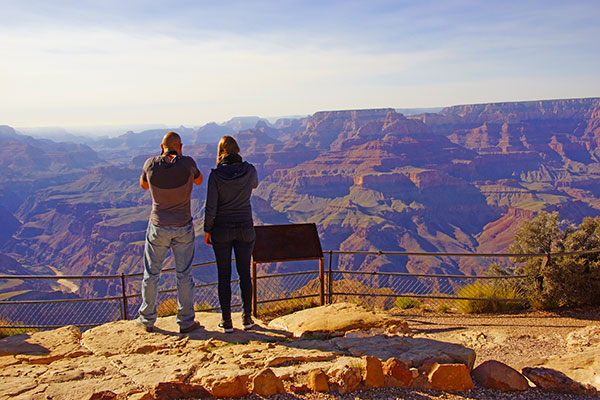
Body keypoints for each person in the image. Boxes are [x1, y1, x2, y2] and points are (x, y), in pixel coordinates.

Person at [138, 131, 203, 334]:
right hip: (183, 226)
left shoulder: (150, 164)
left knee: (151, 274)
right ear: (180, 146)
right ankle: (185, 322)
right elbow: (199, 181)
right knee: (184, 275)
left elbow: (143, 185)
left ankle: (147, 319)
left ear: (161, 146)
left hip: (158, 226)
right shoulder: (188, 163)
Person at [204, 135, 258, 333]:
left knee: (224, 275)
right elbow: (255, 184)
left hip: (221, 230)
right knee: (245, 274)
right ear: (238, 150)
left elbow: (211, 206)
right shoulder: (250, 170)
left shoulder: (216, 175)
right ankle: (247, 319)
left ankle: (227, 322)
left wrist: (207, 229)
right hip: (245, 227)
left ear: (221, 152)